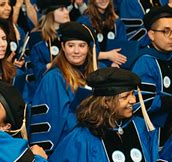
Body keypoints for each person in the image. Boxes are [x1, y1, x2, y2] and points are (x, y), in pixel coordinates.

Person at [29, 21, 96, 154]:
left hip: (89, 143)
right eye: (71, 45)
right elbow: (56, 122)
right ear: (63, 47)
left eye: (82, 46)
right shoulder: (53, 79)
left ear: (88, 48)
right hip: (68, 150)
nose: (76, 51)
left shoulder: (95, 73)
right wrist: (93, 115)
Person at [131, 5, 172, 146]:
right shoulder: (145, 62)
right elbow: (143, 104)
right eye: (165, 31)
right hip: (152, 132)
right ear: (151, 35)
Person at [77, 0, 128, 67]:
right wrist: (107, 55)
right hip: (91, 66)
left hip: (114, 65)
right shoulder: (84, 22)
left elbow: (122, 45)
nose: (103, 0)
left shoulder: (117, 22)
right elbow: (81, 51)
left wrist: (116, 62)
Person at [30, 0, 70, 83]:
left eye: (66, 8)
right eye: (61, 9)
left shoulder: (71, 33)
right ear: (50, 14)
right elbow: (36, 69)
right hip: (48, 83)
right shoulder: (37, 37)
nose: (67, 12)